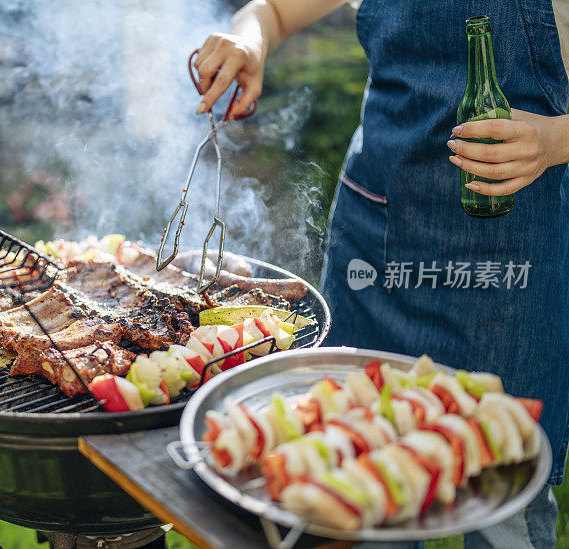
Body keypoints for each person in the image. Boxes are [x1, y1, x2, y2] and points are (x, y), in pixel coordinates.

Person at [193, 0, 569, 547]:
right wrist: (249, 39)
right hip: (379, 239)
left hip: (508, 262)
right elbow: (271, 10)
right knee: (349, 471)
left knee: (503, 502)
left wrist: (556, 141)